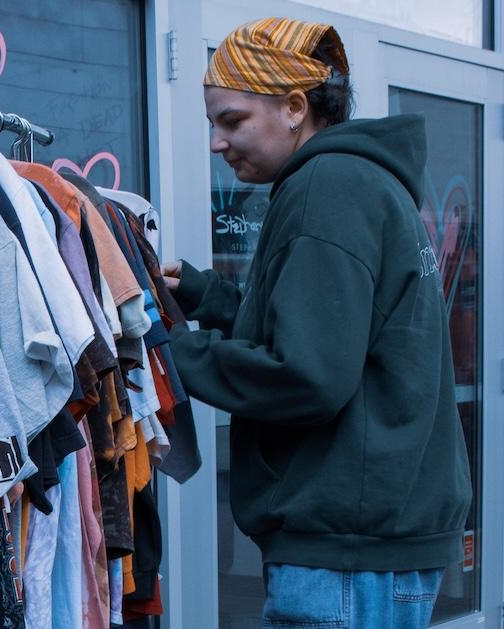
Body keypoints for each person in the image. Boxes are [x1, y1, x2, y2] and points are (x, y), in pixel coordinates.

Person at [162, 17, 472, 629]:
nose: (217, 144)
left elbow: (308, 373)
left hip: (346, 558)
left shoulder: (326, 186)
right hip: (371, 547)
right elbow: (343, 336)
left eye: (231, 120)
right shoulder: (366, 182)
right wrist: (209, 297)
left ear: (294, 107)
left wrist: (169, 352)